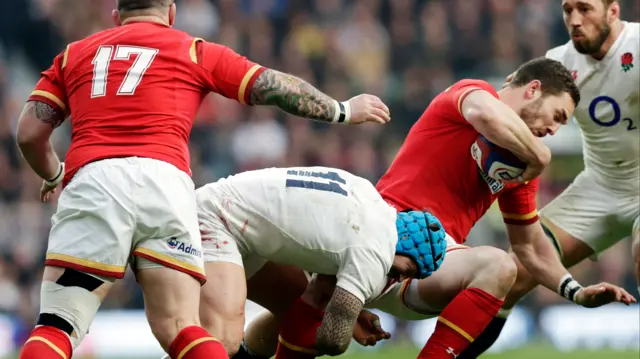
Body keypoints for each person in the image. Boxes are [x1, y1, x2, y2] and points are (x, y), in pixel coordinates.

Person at [14, 0, 391, 358]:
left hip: (96, 181)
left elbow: (29, 133)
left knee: (57, 325)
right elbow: (271, 86)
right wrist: (342, 110)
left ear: (116, 16)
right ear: (171, 13)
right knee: (182, 327)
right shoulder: (192, 50)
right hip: (167, 186)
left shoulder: (74, 54)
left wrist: (53, 172)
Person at [230, 57, 636, 359]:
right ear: (532, 89)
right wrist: (540, 158)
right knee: (299, 306)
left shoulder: (518, 166)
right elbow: (485, 115)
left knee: (499, 266)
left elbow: (529, 247)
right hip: (374, 230)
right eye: (557, 116)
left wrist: (575, 290)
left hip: (427, 264)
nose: (552, 130)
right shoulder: (473, 93)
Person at [458, 1, 640, 357]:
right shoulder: (560, 62)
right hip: (600, 186)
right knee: (511, 274)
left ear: (613, 12)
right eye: (567, 10)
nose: (574, 20)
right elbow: (513, 102)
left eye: (585, 9)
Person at [193, 166, 448, 357]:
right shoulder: (377, 251)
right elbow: (332, 340)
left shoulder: (369, 196)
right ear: (406, 247)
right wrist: (345, 322)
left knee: (296, 305)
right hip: (217, 222)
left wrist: (349, 311)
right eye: (409, 270)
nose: (401, 279)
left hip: (230, 212)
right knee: (222, 339)